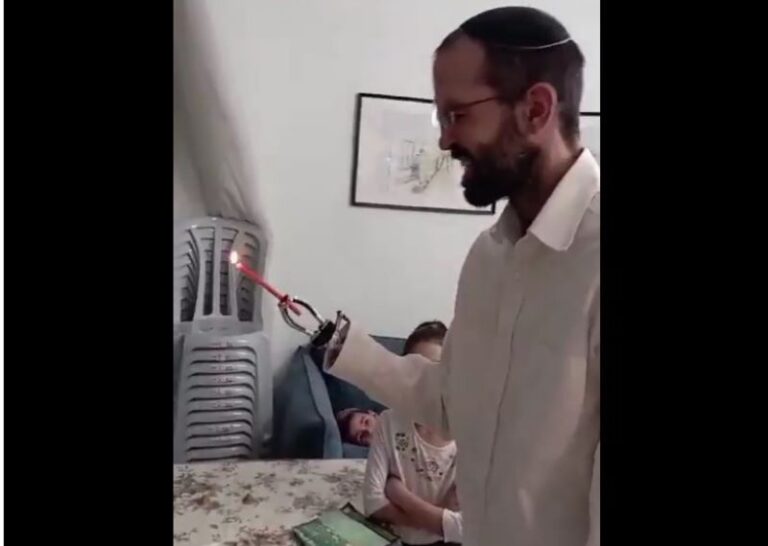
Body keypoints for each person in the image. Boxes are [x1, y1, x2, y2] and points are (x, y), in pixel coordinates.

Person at [323, 7, 600, 546]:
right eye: (441, 119)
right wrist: (346, 348)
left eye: (458, 115)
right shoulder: (487, 258)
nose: (445, 141)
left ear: (536, 109)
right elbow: (454, 403)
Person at [363, 321, 462, 546]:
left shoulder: (466, 434)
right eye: (416, 369)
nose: (426, 380)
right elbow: (372, 503)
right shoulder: (388, 422)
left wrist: (399, 494)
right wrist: (438, 518)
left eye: (435, 368)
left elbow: (464, 526)